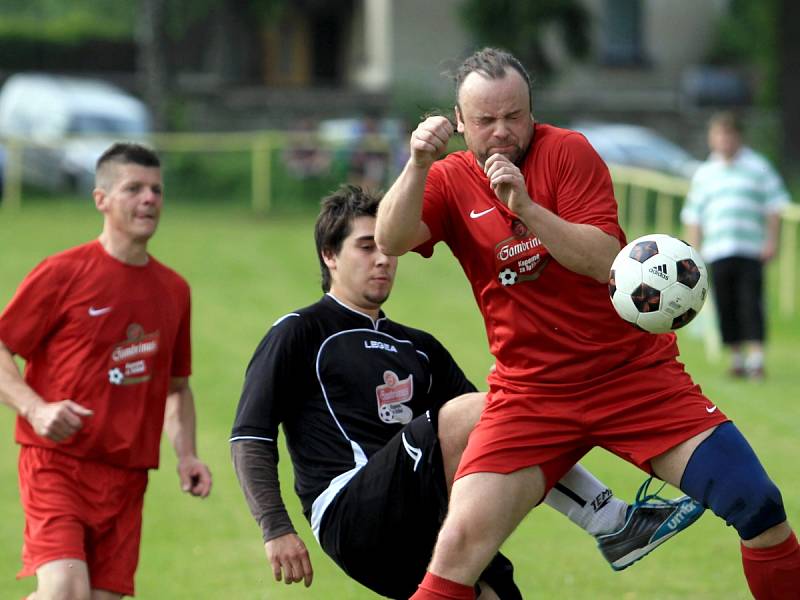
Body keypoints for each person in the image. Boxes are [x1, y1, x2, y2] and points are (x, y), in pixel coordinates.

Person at [374, 48, 800, 599]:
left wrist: (526, 207)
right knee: (455, 554)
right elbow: (390, 238)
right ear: (459, 122)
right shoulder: (449, 178)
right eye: (485, 121)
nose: (502, 132)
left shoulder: (568, 152)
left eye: (514, 116)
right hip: (530, 396)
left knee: (759, 506)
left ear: (531, 112)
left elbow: (606, 261)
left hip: (632, 379)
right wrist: (416, 163)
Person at [229, 185, 704, 600]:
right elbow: (250, 436)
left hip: (429, 514)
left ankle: (615, 525)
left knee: (511, 438)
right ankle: (611, 520)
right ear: (330, 256)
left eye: (389, 248)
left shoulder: (418, 346)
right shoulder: (301, 332)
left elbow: (507, 439)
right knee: (496, 414)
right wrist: (275, 527)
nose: (383, 259)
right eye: (365, 247)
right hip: (351, 512)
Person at [0, 142, 213, 599]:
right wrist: (36, 409)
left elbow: (177, 388)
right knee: (64, 591)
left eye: (156, 190)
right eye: (133, 188)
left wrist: (187, 455)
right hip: (57, 462)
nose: (150, 199)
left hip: (126, 476)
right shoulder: (63, 273)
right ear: (101, 199)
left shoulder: (174, 290)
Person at [681, 111, 791, 380]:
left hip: (749, 248)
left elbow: (774, 206)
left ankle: (756, 358)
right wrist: (693, 251)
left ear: (738, 137)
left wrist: (771, 241)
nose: (724, 141)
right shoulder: (705, 173)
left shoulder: (758, 167)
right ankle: (737, 357)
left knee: (750, 302)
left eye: (729, 135)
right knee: (726, 304)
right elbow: (694, 214)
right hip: (717, 249)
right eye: (719, 135)